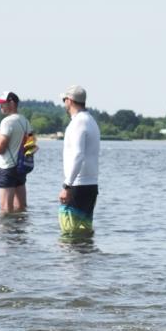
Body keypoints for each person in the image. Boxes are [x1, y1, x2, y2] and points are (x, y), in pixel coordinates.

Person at [59, 85, 100, 237]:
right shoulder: (90, 120)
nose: (64, 103)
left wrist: (67, 185)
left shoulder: (78, 122)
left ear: (69, 100)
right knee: (84, 233)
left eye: (64, 100)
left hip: (78, 185)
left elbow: (78, 155)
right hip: (90, 185)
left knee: (70, 234)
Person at [0, 91, 33, 213]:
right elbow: (32, 147)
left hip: (7, 168)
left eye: (3, 103)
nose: (0, 106)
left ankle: (7, 227)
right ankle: (21, 226)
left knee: (6, 210)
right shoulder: (25, 121)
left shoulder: (7, 122)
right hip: (21, 168)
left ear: (12, 103)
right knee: (21, 208)